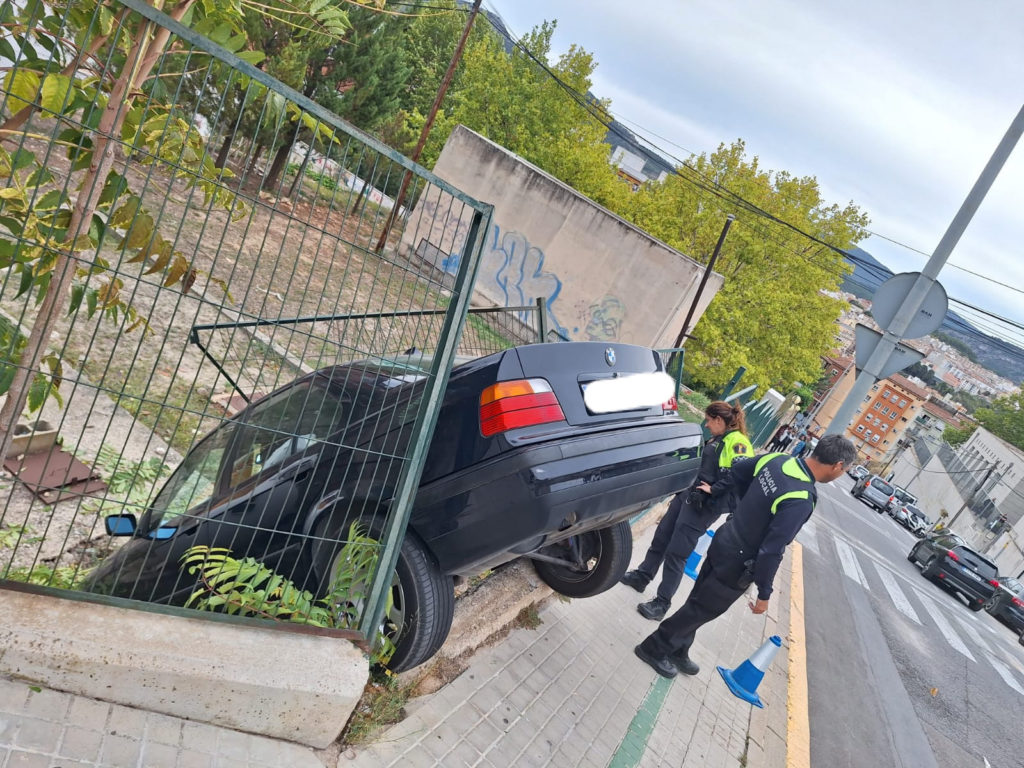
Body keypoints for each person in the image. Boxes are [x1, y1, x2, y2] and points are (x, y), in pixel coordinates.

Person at [633, 434, 857, 678]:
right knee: (703, 608)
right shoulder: (801, 498)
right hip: (738, 562)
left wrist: (740, 506)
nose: (841, 473)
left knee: (699, 598)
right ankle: (654, 648)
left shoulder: (778, 459)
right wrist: (764, 593)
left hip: (725, 537)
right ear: (837, 466)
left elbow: (739, 470)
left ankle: (679, 648)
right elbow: (772, 550)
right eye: (845, 470)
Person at [620, 401, 754, 621]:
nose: (707, 425)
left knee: (677, 552)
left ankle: (662, 603)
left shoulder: (737, 441)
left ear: (719, 420)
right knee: (662, 537)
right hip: (688, 496)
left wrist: (714, 489)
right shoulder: (720, 438)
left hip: (704, 506)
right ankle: (642, 576)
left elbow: (742, 473)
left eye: (709, 420)